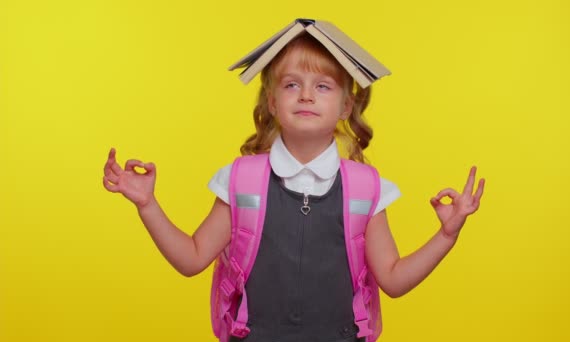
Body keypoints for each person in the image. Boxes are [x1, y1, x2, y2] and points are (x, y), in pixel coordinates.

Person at [103, 32, 484, 342]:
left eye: (322, 85)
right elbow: (191, 260)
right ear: (271, 101)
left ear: (346, 107)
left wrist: (446, 235)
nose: (305, 95)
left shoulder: (368, 189)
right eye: (291, 84)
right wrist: (147, 204)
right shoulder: (240, 180)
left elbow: (394, 280)